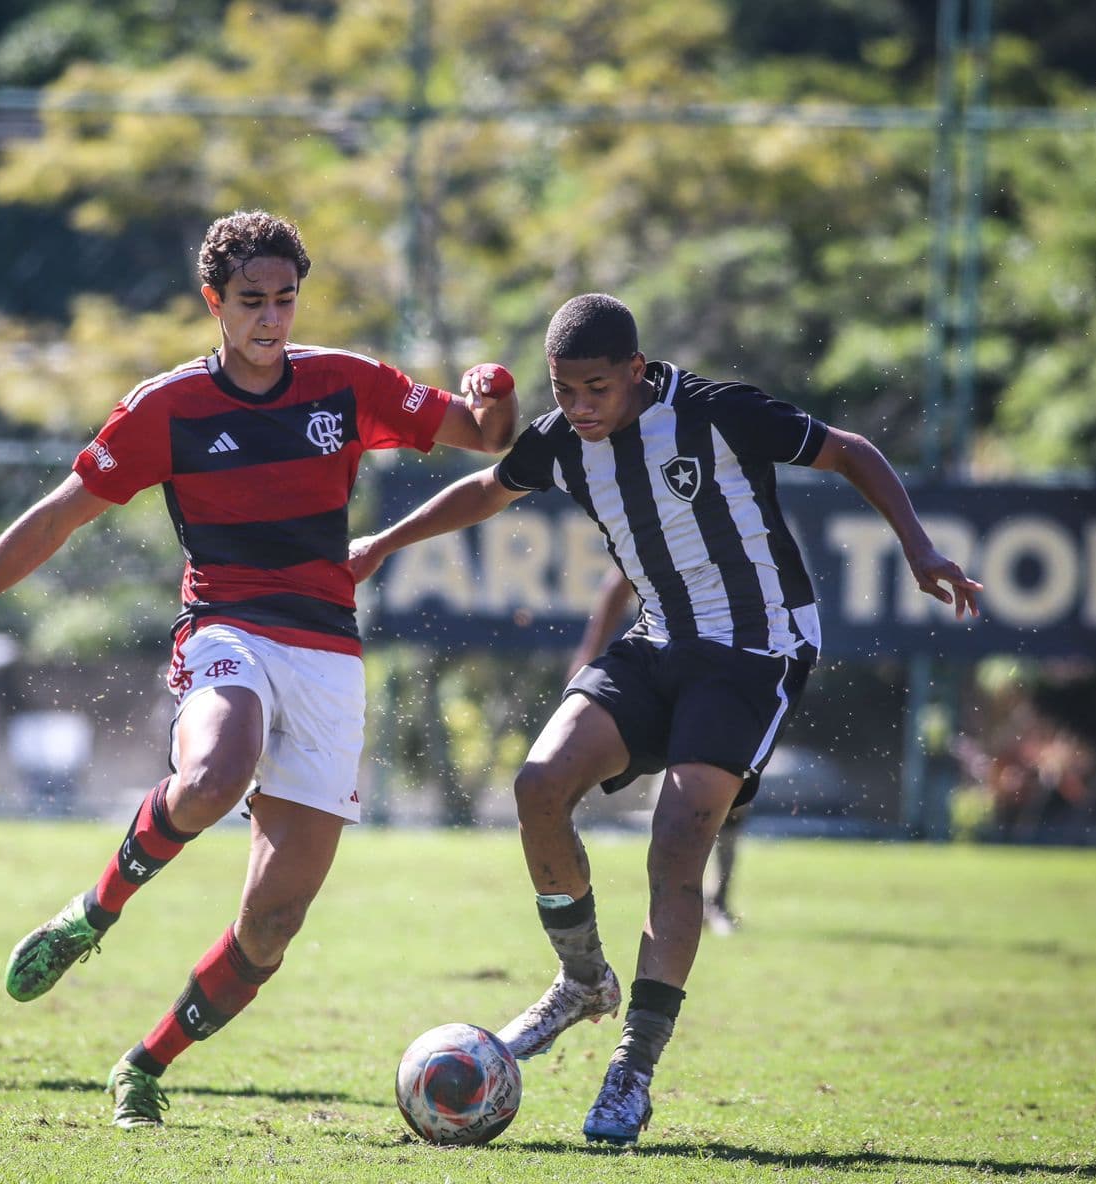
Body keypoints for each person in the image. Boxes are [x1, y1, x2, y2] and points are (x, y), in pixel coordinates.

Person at [0, 210, 517, 1129]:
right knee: (214, 771)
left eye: (285, 299)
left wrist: (497, 389)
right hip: (227, 626)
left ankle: (144, 1063)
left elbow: (484, 434)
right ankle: (92, 915)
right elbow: (54, 519)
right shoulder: (167, 408)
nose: (271, 318)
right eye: (251, 300)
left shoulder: (345, 385)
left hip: (328, 653)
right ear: (213, 301)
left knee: (273, 925)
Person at [350, 292, 980, 1144]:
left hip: (757, 651)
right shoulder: (564, 439)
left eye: (597, 389)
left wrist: (918, 546)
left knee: (677, 841)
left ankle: (632, 1069)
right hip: (659, 642)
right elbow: (488, 491)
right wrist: (382, 545)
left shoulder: (719, 414)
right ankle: (581, 983)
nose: (578, 407)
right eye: (563, 389)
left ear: (637, 372)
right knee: (539, 783)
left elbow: (851, 450)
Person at [572, 569, 744, 936]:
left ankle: (717, 901)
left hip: (733, 669)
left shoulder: (742, 532)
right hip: (667, 666)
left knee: (731, 798)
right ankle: (671, 910)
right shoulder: (668, 526)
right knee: (678, 813)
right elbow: (618, 584)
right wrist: (589, 654)